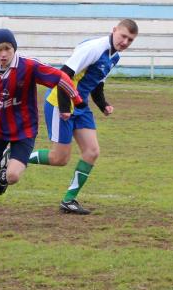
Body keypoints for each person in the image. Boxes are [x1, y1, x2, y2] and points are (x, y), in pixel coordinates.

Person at [0, 28, 80, 229]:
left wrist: (77, 99)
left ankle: (4, 172)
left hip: (24, 130)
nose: (3, 54)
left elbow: (59, 77)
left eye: (8, 49)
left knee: (12, 177)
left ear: (14, 49)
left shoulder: (28, 66)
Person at [26, 19, 138, 215]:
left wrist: (103, 105)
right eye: (123, 36)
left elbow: (97, 84)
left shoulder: (114, 56)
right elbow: (63, 76)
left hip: (80, 104)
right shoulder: (94, 48)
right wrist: (64, 107)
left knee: (92, 151)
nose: (125, 42)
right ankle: (16, 157)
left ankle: (69, 200)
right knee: (59, 158)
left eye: (130, 40)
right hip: (60, 101)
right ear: (114, 31)